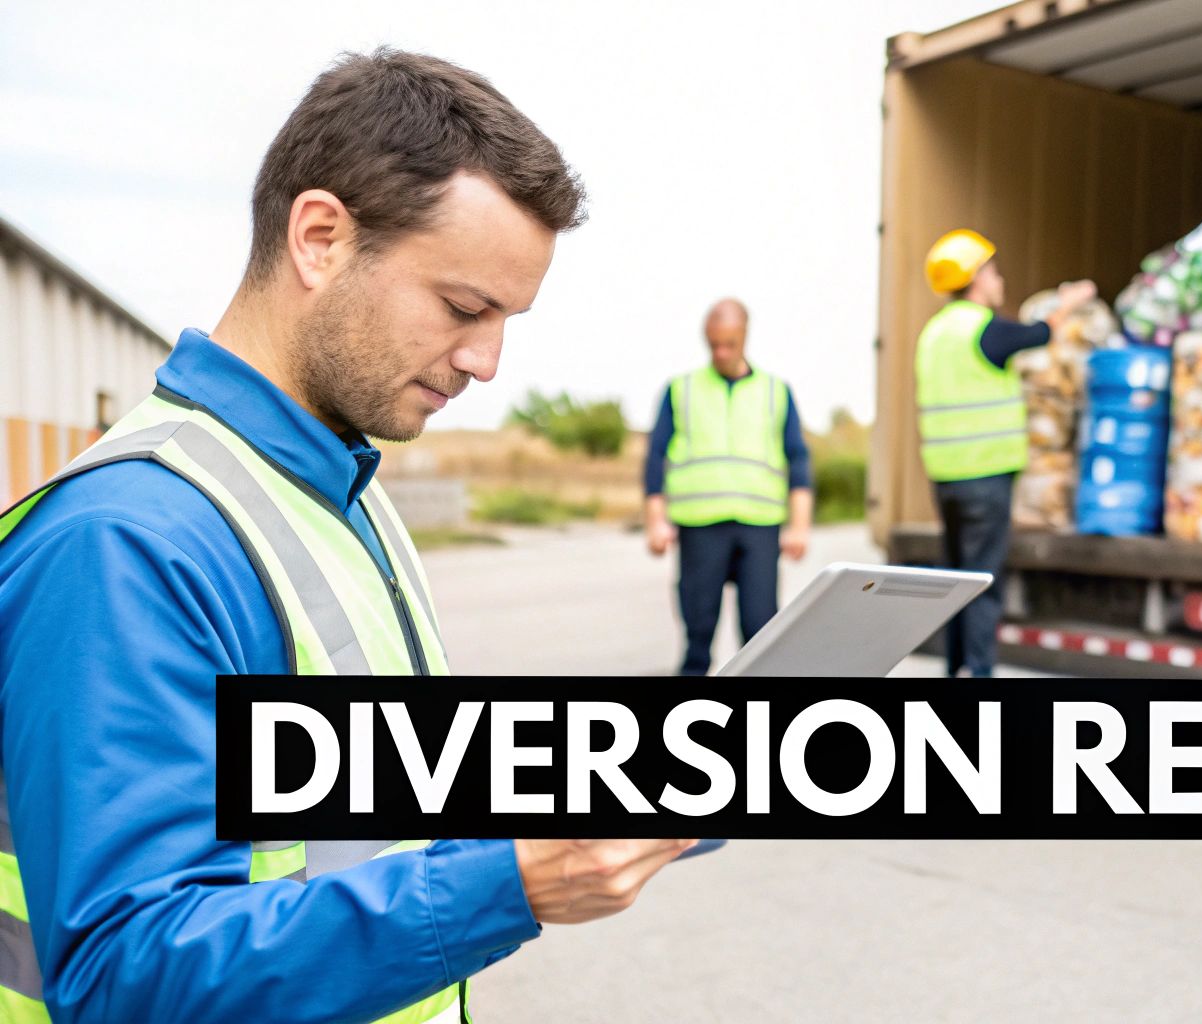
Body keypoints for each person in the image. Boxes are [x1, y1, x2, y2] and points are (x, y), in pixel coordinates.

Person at [0, 49, 694, 1023]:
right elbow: (127, 973)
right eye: (464, 307)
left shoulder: (336, 486)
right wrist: (507, 884)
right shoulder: (123, 542)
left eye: (507, 319)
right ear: (320, 239)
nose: (487, 360)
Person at [915, 229, 1096, 677]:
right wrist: (1070, 302)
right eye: (992, 270)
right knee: (981, 583)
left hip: (946, 478)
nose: (998, 280)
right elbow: (1039, 332)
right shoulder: (983, 329)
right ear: (976, 277)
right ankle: (977, 675)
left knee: (955, 580)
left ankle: (954, 669)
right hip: (985, 476)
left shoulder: (934, 333)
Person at [644, 299, 813, 675]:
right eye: (714, 344)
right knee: (698, 630)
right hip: (700, 525)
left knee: (760, 630)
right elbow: (655, 458)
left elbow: (798, 459)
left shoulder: (776, 391)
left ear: (744, 337)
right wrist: (656, 520)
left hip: (759, 525)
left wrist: (799, 526)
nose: (720, 352)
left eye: (729, 344)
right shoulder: (681, 390)